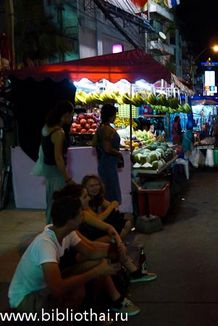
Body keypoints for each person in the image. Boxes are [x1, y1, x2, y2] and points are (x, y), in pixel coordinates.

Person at [8, 196, 140, 316]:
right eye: (80, 214)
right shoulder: (45, 245)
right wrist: (97, 272)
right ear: (70, 220)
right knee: (78, 290)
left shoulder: (64, 231)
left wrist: (117, 249)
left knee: (96, 263)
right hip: (26, 298)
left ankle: (94, 311)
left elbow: (90, 251)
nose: (83, 216)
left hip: (44, 287)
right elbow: (57, 289)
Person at [57, 183, 158, 283]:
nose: (89, 198)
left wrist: (119, 244)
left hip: (84, 250)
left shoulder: (85, 212)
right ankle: (131, 273)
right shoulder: (75, 220)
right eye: (85, 196)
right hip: (76, 258)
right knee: (109, 248)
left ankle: (128, 275)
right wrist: (115, 247)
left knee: (114, 241)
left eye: (96, 185)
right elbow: (85, 248)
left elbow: (108, 226)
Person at [40, 100, 75, 224]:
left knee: (51, 200)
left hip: (48, 169)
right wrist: (67, 179)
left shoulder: (46, 128)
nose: (72, 118)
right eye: (71, 115)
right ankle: (53, 230)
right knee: (57, 202)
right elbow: (58, 158)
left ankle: (50, 227)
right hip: (56, 171)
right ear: (65, 114)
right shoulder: (58, 132)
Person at [93, 104, 123, 204]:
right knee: (110, 191)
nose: (115, 117)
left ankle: (109, 214)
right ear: (111, 115)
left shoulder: (101, 127)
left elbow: (94, 144)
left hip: (104, 163)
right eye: (115, 115)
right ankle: (111, 215)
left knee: (107, 189)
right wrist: (118, 153)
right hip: (108, 164)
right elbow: (107, 148)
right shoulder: (107, 129)